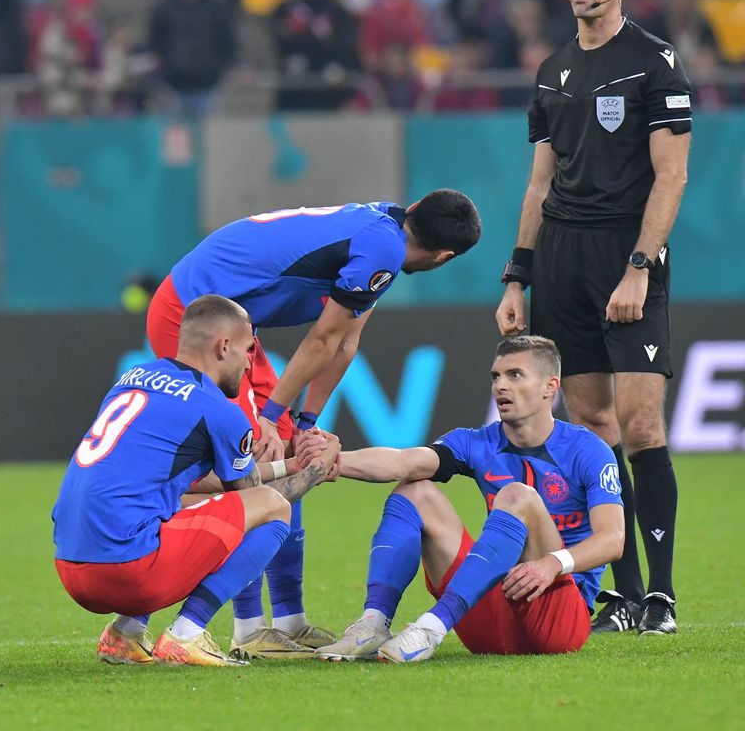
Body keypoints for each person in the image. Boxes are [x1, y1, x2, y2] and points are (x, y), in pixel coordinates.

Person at [146, 191, 481, 659]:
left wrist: (304, 422)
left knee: (284, 448)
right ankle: (245, 628)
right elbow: (322, 337)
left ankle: (289, 620)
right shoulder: (383, 248)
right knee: (252, 454)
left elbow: (345, 340)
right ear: (444, 257)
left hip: (230, 321)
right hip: (192, 315)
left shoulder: (384, 227)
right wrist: (267, 417)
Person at [495, 0, 691, 635]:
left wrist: (640, 265)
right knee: (590, 427)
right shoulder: (551, 71)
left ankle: (662, 596)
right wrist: (519, 273)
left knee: (641, 424)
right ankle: (622, 592)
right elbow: (539, 183)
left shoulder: (653, 64)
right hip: (561, 260)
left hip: (625, 253)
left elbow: (672, 176)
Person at [53, 295, 341, 667]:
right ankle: (186, 634)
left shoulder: (132, 380)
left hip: (71, 565)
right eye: (247, 349)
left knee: (174, 501)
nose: (250, 362)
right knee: (275, 510)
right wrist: (318, 468)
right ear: (223, 346)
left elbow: (207, 484)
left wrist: (291, 464)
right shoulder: (219, 410)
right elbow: (258, 499)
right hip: (125, 573)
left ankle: (125, 633)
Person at [311, 335, 625, 663]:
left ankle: (432, 627)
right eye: (496, 376)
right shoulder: (478, 442)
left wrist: (551, 564)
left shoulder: (588, 449)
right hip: (492, 616)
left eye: (514, 375)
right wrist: (330, 462)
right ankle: (373, 624)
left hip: (556, 615)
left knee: (518, 495)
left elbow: (613, 539)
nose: (501, 386)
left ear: (550, 387)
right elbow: (403, 462)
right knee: (414, 489)